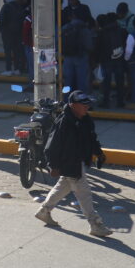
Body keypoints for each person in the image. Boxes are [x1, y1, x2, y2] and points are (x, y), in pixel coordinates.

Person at [34, 90, 113, 238]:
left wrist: (99, 153)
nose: (87, 107)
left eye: (87, 104)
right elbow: (52, 146)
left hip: (78, 161)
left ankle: (44, 211)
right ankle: (95, 224)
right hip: (69, 162)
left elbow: (92, 138)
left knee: (63, 186)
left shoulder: (86, 120)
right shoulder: (64, 122)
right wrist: (53, 165)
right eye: (83, 105)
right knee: (84, 193)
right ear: (72, 105)